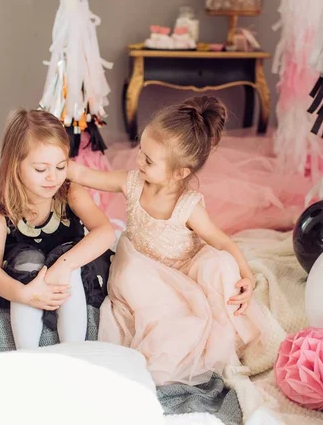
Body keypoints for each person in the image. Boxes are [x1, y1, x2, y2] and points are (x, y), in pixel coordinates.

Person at [68, 96, 265, 385]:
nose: (139, 162)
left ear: (179, 173)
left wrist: (247, 276)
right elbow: (85, 174)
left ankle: (217, 336)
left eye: (149, 160)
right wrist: (57, 164)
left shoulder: (189, 208)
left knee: (219, 264)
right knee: (132, 274)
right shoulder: (132, 182)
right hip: (145, 271)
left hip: (184, 274)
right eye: (140, 152)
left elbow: (224, 242)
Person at [0, 109, 115, 349]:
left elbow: (105, 231)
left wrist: (64, 265)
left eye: (60, 166)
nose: (52, 178)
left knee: (67, 261)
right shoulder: (0, 211)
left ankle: (73, 352)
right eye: (40, 169)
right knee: (27, 261)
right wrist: (25, 294)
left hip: (69, 269)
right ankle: (27, 357)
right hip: (26, 275)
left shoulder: (70, 192)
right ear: (16, 166)